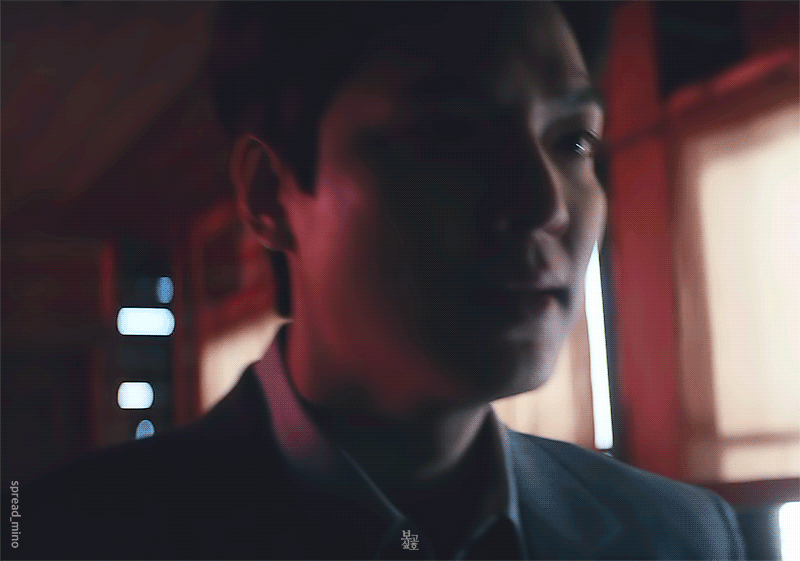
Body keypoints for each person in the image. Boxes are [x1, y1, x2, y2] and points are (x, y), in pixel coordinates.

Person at [7, 3, 746, 559]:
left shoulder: (680, 536)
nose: (543, 203)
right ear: (269, 195)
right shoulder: (65, 534)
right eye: (448, 132)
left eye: (573, 140)